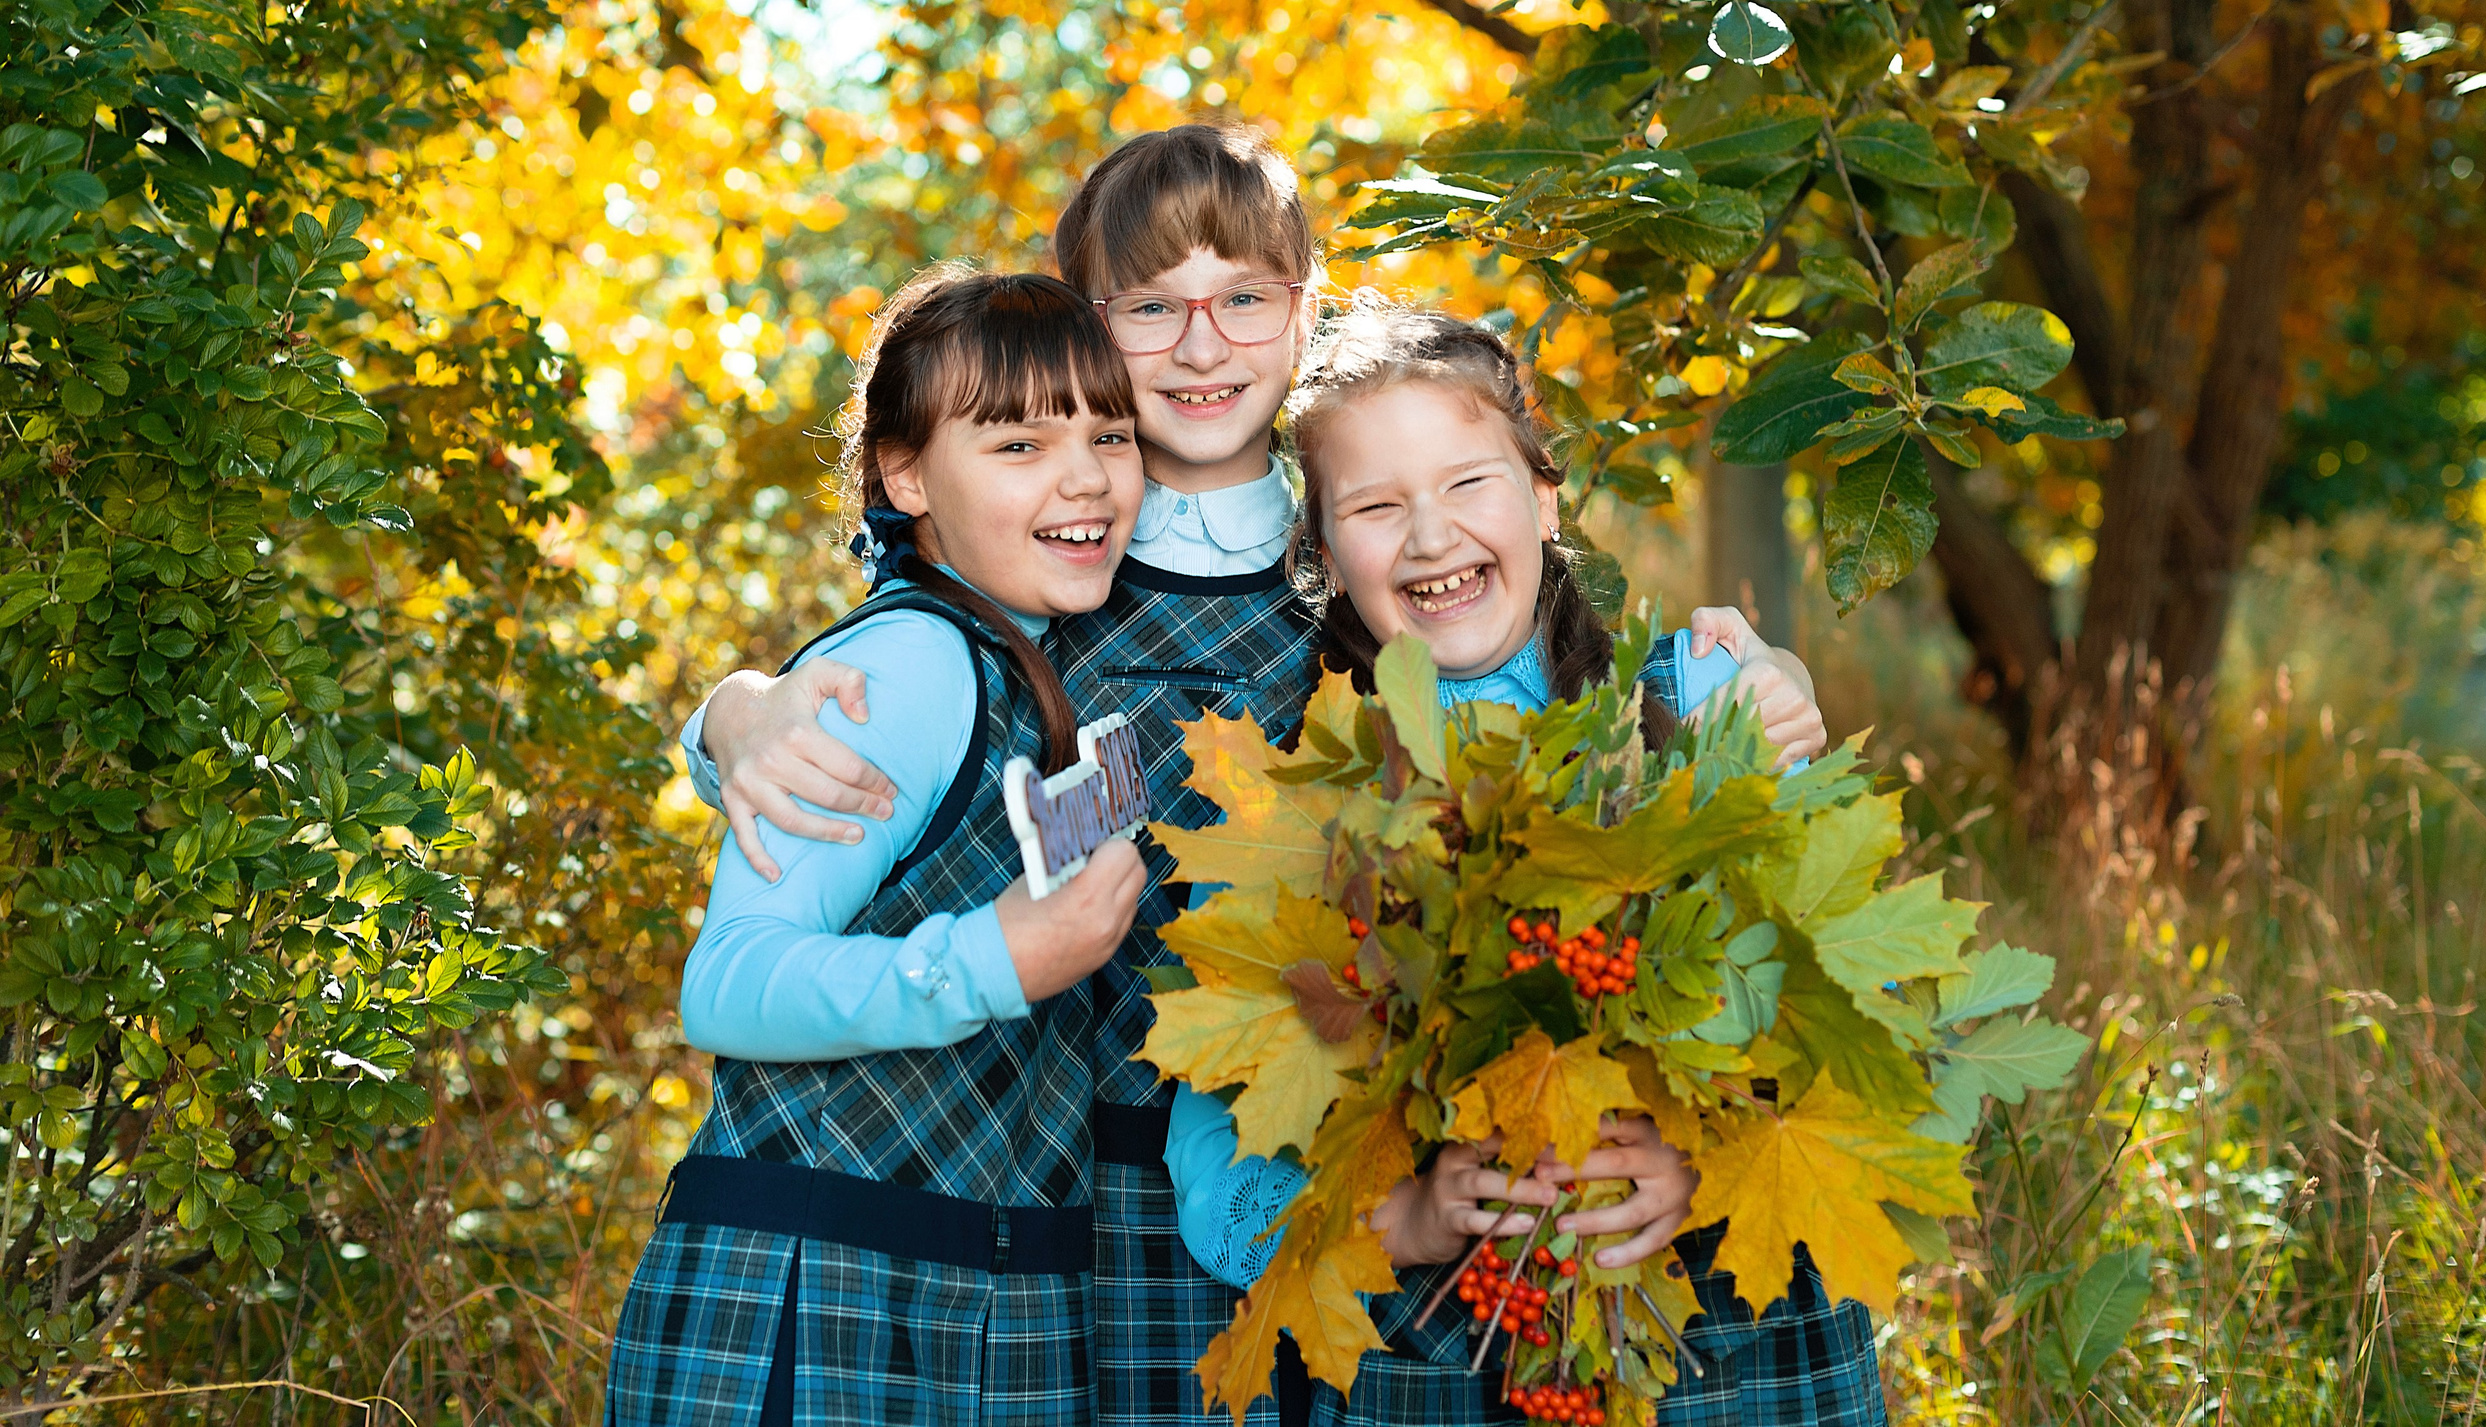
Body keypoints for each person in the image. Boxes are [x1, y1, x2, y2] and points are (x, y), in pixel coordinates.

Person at [677, 128, 1829, 1425]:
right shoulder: (1058, 566)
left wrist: (1745, 673)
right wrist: (737, 711)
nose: (1202, 343)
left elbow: (1568, 688)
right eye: (1151, 308)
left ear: (1305, 310)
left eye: (1245, 298)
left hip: (1363, 1166)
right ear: (1087, 328)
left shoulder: (1361, 530)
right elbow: (886, 691)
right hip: (1103, 1200)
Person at [1162, 303, 1886, 1427]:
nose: (1429, 536)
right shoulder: (1288, 802)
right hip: (1429, 1348)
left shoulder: (1695, 712)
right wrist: (1403, 1218)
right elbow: (1215, 1157)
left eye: (1466, 483)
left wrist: (1702, 1162)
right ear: (1318, 554)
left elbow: (1853, 1017)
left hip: (1725, 1329)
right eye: (1375, 505)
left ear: (1543, 497)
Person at [605, 266, 1150, 1426]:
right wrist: (989, 961)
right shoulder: (911, 664)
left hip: (977, 1302)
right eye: (1018, 446)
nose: (1088, 476)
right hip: (816, 1308)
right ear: (906, 475)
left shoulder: (1035, 658)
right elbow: (729, 982)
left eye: (1111, 433)